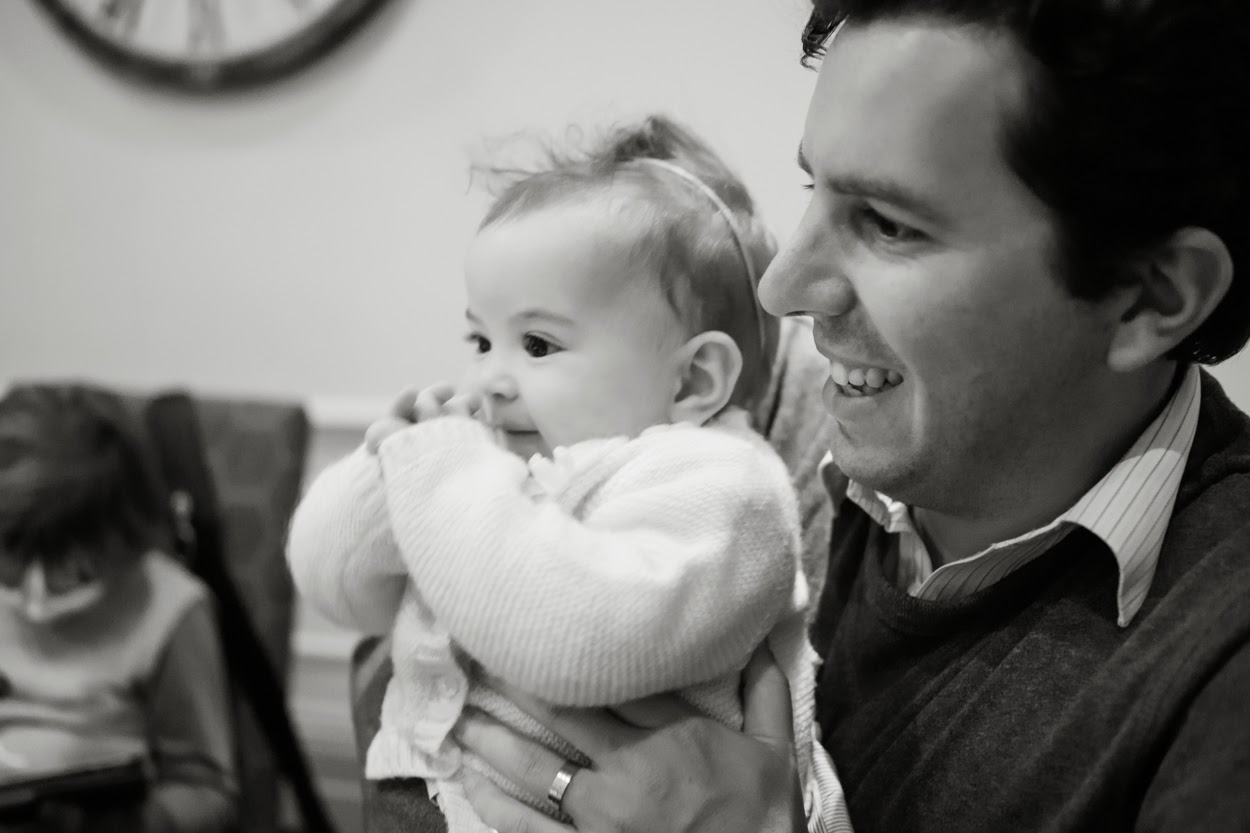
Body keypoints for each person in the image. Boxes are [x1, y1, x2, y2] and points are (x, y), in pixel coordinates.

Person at [432, 2, 1250, 832]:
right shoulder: (786, 425)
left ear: (1151, 297)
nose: (781, 287)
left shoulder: (1219, 671)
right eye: (812, 188)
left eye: (889, 224)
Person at [286, 116, 849, 833]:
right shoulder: (506, 471)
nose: (488, 378)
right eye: (480, 338)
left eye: (537, 343)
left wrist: (444, 477)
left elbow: (573, 642)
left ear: (693, 380)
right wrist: (390, 472)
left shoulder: (726, 489)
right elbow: (335, 585)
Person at [0, 384, 237, 833]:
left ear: (120, 540)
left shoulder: (171, 609)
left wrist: (123, 823)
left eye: (73, 571)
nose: (35, 599)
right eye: (11, 562)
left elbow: (208, 792)